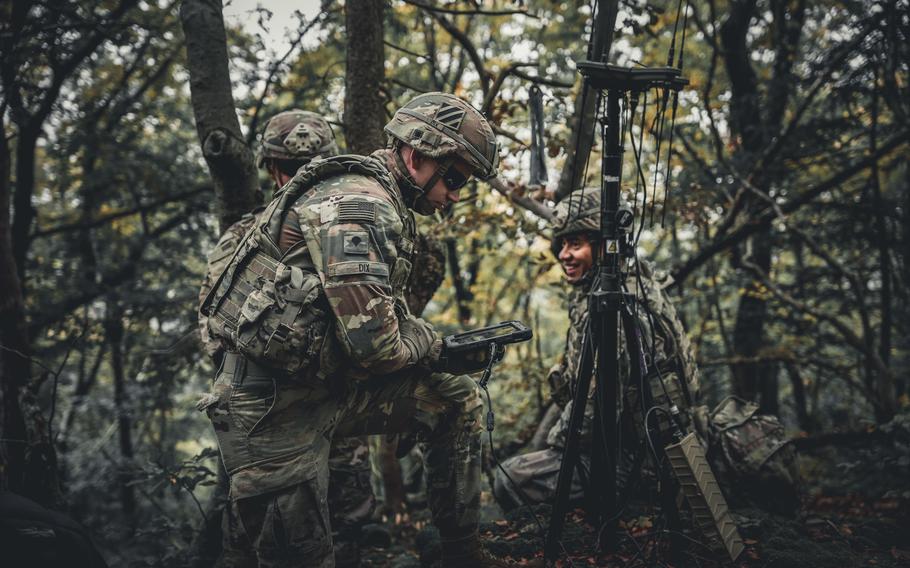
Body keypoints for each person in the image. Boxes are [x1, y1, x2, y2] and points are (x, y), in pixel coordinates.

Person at [198, 93, 515, 567]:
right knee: (290, 555)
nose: (454, 195)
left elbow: (375, 319)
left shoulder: (381, 199)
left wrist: (440, 355)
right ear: (417, 154)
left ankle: (460, 554)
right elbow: (377, 347)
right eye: (453, 179)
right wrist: (430, 344)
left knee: (455, 397)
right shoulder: (357, 205)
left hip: (325, 389)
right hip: (270, 409)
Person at [197, 110, 372, 567]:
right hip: (273, 417)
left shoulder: (349, 230)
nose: (302, 180)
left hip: (339, 412)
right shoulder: (247, 239)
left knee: (350, 530)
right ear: (276, 172)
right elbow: (217, 336)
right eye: (295, 171)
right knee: (268, 543)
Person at [493, 187, 700, 511]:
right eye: (562, 245)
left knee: (510, 479)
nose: (564, 254)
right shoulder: (633, 285)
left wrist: (555, 447)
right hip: (635, 450)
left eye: (575, 244)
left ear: (604, 246)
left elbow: (594, 413)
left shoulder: (615, 307)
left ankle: (637, 502)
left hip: (640, 463)